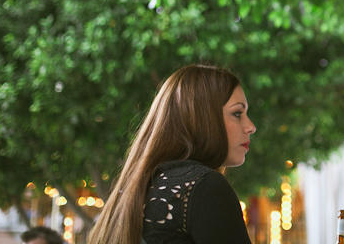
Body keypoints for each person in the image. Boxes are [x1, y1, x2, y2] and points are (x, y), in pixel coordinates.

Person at [89, 65, 257, 244]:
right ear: (201, 118)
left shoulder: (137, 190)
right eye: (237, 113)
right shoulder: (204, 187)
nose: (251, 127)